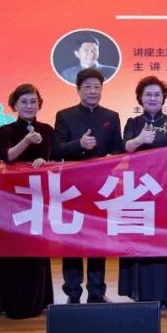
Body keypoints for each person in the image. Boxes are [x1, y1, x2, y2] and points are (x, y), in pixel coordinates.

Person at [119, 76, 167, 309]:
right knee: (141, 237)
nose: (152, 98)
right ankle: (140, 291)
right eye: (148, 94)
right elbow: (125, 148)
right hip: (140, 190)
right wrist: (140, 139)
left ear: (163, 99)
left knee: (166, 238)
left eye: (157, 94)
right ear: (140, 98)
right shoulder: (133, 123)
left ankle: (166, 292)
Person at [53, 67, 123, 303]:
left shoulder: (111, 116)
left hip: (101, 188)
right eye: (88, 87)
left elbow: (118, 150)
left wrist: (111, 160)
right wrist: (79, 145)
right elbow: (56, 149)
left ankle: (96, 291)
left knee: (98, 240)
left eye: (97, 87)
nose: (93, 91)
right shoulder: (65, 116)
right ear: (78, 90)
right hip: (72, 188)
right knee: (71, 240)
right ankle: (73, 292)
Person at [0, 83, 56, 318]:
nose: (29, 106)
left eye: (33, 101)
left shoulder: (47, 129)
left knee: (36, 249)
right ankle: (11, 302)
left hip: (38, 199)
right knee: (13, 250)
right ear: (14, 105)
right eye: (24, 102)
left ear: (39, 104)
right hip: (11, 199)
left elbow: (51, 157)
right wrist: (27, 142)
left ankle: (39, 301)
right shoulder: (6, 130)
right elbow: (6, 157)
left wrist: (44, 161)